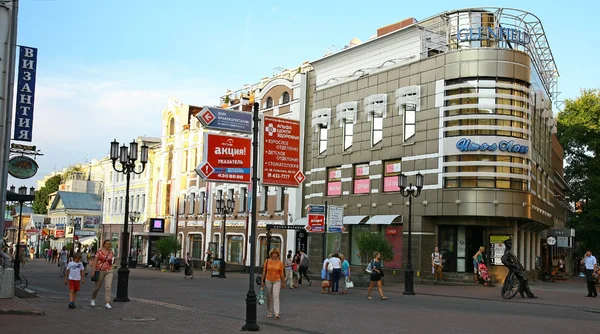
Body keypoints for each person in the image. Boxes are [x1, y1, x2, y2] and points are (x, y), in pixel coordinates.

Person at [261, 248, 285, 319]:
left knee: (276, 295)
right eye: (273, 253)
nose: (274, 255)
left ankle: (277, 313)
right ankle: (269, 312)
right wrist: (262, 281)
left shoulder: (280, 263)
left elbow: (282, 273)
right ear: (271, 254)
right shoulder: (267, 261)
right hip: (268, 280)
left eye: (276, 254)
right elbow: (264, 271)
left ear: (278, 255)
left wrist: (283, 282)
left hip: (277, 281)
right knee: (269, 297)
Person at [91, 240, 114, 309]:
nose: (108, 245)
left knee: (108, 287)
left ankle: (107, 302)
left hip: (109, 270)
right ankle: (93, 298)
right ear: (104, 245)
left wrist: (113, 264)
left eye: (109, 244)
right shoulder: (99, 252)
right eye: (107, 244)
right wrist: (93, 270)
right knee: (97, 287)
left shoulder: (111, 252)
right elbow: (95, 261)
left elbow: (112, 261)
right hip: (100, 270)